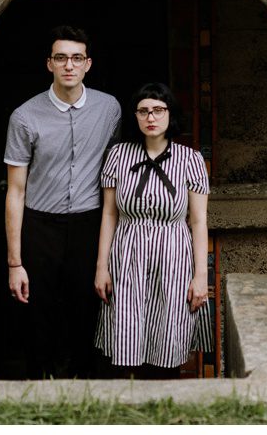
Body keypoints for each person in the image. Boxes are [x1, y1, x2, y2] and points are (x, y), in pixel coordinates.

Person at [3, 25, 122, 378]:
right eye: (61, 58)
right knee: (37, 311)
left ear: (88, 64)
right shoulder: (25, 117)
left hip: (89, 223)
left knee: (86, 308)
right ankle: (40, 387)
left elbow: (116, 171)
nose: (69, 65)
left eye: (76, 58)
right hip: (40, 225)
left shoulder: (109, 109)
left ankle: (83, 386)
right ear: (49, 64)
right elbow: (16, 191)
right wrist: (14, 262)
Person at [93, 83, 213, 377]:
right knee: (126, 337)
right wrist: (101, 267)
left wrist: (200, 277)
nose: (151, 117)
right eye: (144, 111)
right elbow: (109, 214)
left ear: (170, 115)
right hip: (127, 253)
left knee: (168, 335)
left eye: (158, 110)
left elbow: (198, 221)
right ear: (135, 116)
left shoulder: (190, 159)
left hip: (173, 255)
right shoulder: (119, 156)